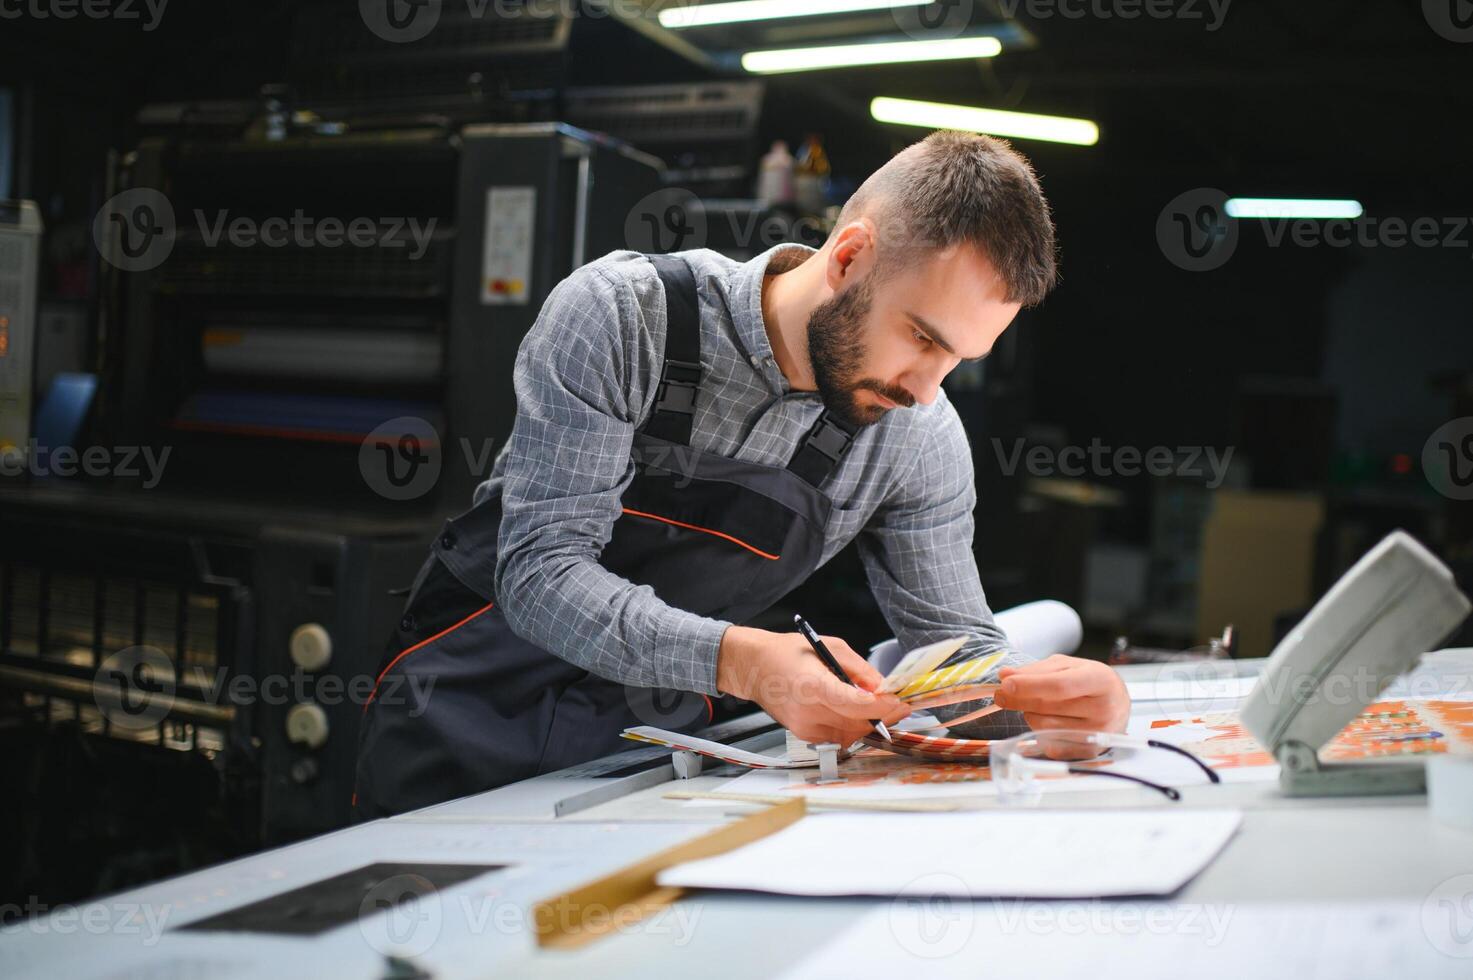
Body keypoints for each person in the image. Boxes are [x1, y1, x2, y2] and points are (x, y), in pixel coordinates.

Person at [353, 130, 1130, 818]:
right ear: (851, 257)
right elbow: (540, 571)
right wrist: (744, 661)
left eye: (959, 358)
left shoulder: (915, 436)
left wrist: (1055, 708)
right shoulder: (625, 317)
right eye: (921, 338)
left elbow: (955, 653)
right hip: (454, 730)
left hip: (636, 768)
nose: (926, 389)